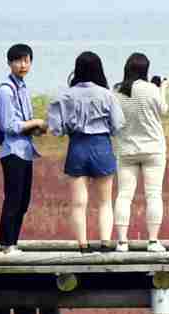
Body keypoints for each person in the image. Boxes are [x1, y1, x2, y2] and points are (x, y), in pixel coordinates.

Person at [46, 50, 123, 250]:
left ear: (77, 70)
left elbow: (55, 128)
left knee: (78, 203)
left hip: (77, 146)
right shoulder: (107, 95)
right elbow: (118, 125)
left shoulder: (64, 95)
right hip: (101, 146)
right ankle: (105, 243)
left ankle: (83, 245)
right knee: (105, 202)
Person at [111, 52, 169, 253]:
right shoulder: (151, 89)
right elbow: (163, 110)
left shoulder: (117, 91)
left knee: (124, 196)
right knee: (153, 195)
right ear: (145, 70)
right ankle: (153, 242)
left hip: (126, 149)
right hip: (153, 149)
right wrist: (162, 89)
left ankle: (122, 242)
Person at [0, 44, 50, 250]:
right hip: (12, 151)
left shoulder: (22, 87)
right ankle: (6, 245)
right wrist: (34, 123)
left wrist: (36, 128)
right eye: (18, 61)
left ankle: (12, 243)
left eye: (27, 60)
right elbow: (8, 125)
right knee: (13, 199)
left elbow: (23, 121)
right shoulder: (5, 91)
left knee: (23, 201)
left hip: (25, 151)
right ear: (9, 63)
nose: (23, 65)